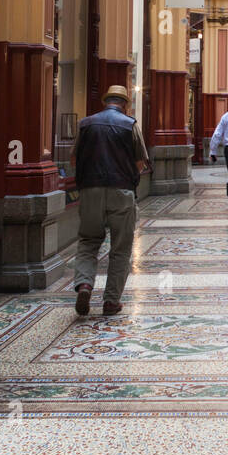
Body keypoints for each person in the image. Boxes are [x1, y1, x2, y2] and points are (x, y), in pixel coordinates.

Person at [70, 84, 149, 317]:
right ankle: (111, 301)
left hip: (90, 190)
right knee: (120, 248)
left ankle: (85, 284)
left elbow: (74, 160)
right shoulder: (130, 124)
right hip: (121, 191)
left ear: (105, 102)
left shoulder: (86, 124)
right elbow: (140, 162)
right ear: (125, 104)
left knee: (88, 241)